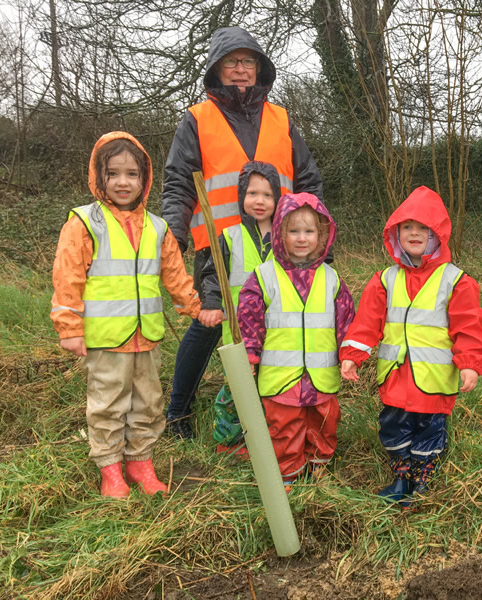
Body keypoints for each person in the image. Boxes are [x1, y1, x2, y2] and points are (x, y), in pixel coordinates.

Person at [162, 26, 323, 438]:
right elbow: (178, 180)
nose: (239, 70)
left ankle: (267, 410)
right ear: (217, 69)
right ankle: (178, 413)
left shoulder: (281, 119)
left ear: (259, 68)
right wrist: (172, 236)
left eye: (247, 61)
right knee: (210, 323)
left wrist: (318, 239)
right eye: (230, 62)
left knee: (274, 323)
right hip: (220, 246)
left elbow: (307, 180)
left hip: (279, 244)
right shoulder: (198, 119)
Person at [50, 132, 205, 497]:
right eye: (114, 173)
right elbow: (67, 277)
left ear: (145, 179)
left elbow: (175, 276)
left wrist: (196, 307)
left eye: (132, 174)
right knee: (108, 403)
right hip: (105, 339)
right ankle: (110, 469)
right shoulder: (85, 223)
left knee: (149, 402)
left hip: (146, 336)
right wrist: (69, 327)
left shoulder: (157, 227)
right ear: (98, 177)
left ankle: (140, 463)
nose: (123, 182)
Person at [340, 187, 482, 508]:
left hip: (433, 381)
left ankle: (423, 480)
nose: (414, 233)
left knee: (429, 430)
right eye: (407, 226)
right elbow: (367, 322)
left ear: (437, 235)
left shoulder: (456, 281)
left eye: (423, 227)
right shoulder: (384, 280)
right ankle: (402, 476)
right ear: (395, 233)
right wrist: (353, 355)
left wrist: (469, 363)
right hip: (395, 378)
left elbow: (468, 327)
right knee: (393, 426)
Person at [236, 193, 354, 489]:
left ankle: (319, 466)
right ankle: (288, 473)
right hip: (281, 377)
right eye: (293, 231)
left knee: (324, 422)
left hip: (321, 374)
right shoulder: (263, 276)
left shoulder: (332, 278)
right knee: (284, 427)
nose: (302, 238)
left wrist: (350, 353)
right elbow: (249, 319)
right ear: (279, 233)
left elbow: (347, 322)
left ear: (322, 234)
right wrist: (250, 356)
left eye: (309, 231)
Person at [198, 161, 280, 456]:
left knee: (271, 385)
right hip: (238, 329)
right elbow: (212, 275)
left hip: (278, 329)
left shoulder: (286, 238)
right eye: (252, 193)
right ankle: (230, 441)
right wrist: (210, 304)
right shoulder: (230, 236)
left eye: (267, 195)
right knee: (236, 387)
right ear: (242, 197)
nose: (259, 201)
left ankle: (267, 439)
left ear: (278, 198)